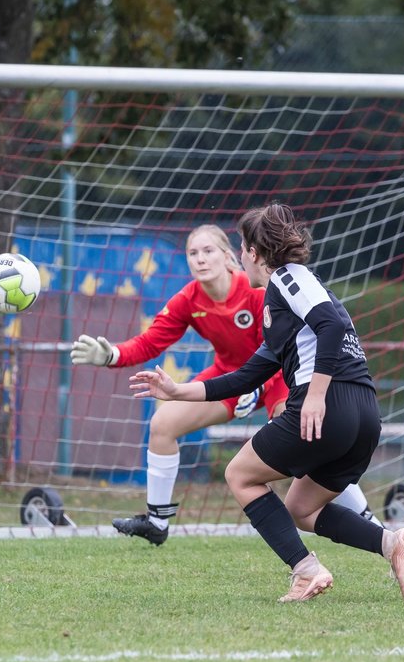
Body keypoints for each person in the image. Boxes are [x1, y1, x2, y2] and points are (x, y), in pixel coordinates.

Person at [129, 203, 404, 603]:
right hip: (363, 412)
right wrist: (177, 391)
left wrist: (317, 395)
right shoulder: (283, 302)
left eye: (240, 246)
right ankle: (393, 546)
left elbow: (332, 325)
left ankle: (306, 571)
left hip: (329, 404)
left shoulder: (288, 279)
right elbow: (247, 376)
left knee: (240, 475)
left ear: (253, 252)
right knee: (302, 507)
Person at [71, 223, 381, 545]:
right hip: (230, 379)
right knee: (162, 423)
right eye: (193, 253)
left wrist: (259, 390)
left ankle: (368, 521)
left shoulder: (260, 291)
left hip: (278, 378)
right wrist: (112, 354)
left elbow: (280, 354)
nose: (200, 259)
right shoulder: (188, 299)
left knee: (307, 442)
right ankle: (157, 522)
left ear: (228, 256)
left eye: (208, 251)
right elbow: (151, 342)